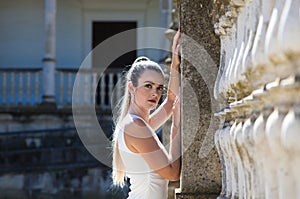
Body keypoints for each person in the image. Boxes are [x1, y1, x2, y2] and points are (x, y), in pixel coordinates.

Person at [112, 30, 181, 199]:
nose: (155, 93)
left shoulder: (138, 123)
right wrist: (176, 127)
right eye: (148, 86)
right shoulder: (136, 127)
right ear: (131, 87)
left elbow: (171, 101)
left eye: (159, 88)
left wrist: (175, 64)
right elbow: (172, 174)